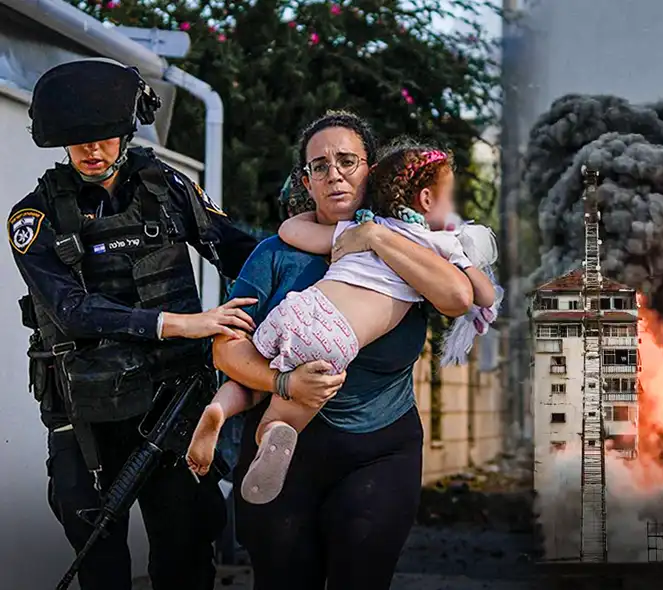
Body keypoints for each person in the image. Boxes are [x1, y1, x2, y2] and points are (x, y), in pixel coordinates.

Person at [9, 59, 260, 590]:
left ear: (126, 132)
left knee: (185, 555)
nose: (92, 151)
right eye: (79, 142)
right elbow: (71, 309)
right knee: (100, 562)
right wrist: (178, 324)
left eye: (103, 137)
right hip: (86, 416)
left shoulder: (168, 187)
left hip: (174, 401)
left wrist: (314, 274)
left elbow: (237, 251)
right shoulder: (33, 216)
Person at [211, 110, 475, 589]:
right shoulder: (274, 254)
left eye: (348, 160)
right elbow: (226, 349)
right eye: (319, 166)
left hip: (381, 450)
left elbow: (458, 296)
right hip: (285, 448)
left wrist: (372, 235)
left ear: (372, 170)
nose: (334, 173)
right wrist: (282, 381)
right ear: (306, 182)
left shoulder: (406, 244)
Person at [185, 141, 499, 506]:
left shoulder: (360, 229)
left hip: (299, 308)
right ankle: (275, 431)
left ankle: (219, 409)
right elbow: (482, 295)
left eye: (348, 162)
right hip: (336, 338)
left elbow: (291, 231)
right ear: (427, 200)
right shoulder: (437, 245)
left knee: (253, 376)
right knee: (288, 410)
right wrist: (470, 263)